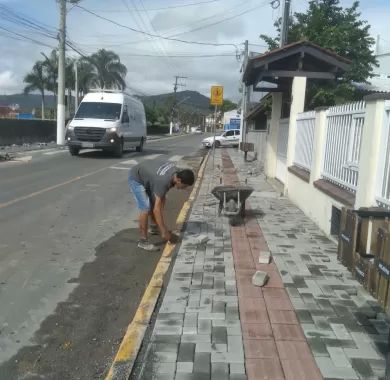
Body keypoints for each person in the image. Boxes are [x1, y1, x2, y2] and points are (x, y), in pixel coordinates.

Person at [128, 160, 195, 251]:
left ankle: (154, 227)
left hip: (149, 176)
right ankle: (143, 241)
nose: (184, 188)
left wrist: (161, 225)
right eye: (184, 186)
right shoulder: (163, 181)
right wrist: (164, 231)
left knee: (157, 201)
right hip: (137, 178)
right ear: (178, 180)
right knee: (145, 208)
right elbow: (157, 209)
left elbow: (161, 197)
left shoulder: (176, 173)